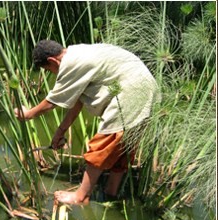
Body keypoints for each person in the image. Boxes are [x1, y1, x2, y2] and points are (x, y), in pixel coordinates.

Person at [14, 40, 160, 205]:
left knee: (102, 146)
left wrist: (28, 114)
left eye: (49, 70)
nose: (53, 74)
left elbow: (51, 102)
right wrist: (60, 131)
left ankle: (81, 196)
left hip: (131, 93)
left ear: (52, 61)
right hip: (147, 88)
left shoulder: (71, 65)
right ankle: (111, 192)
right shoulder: (78, 52)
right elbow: (77, 101)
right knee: (123, 147)